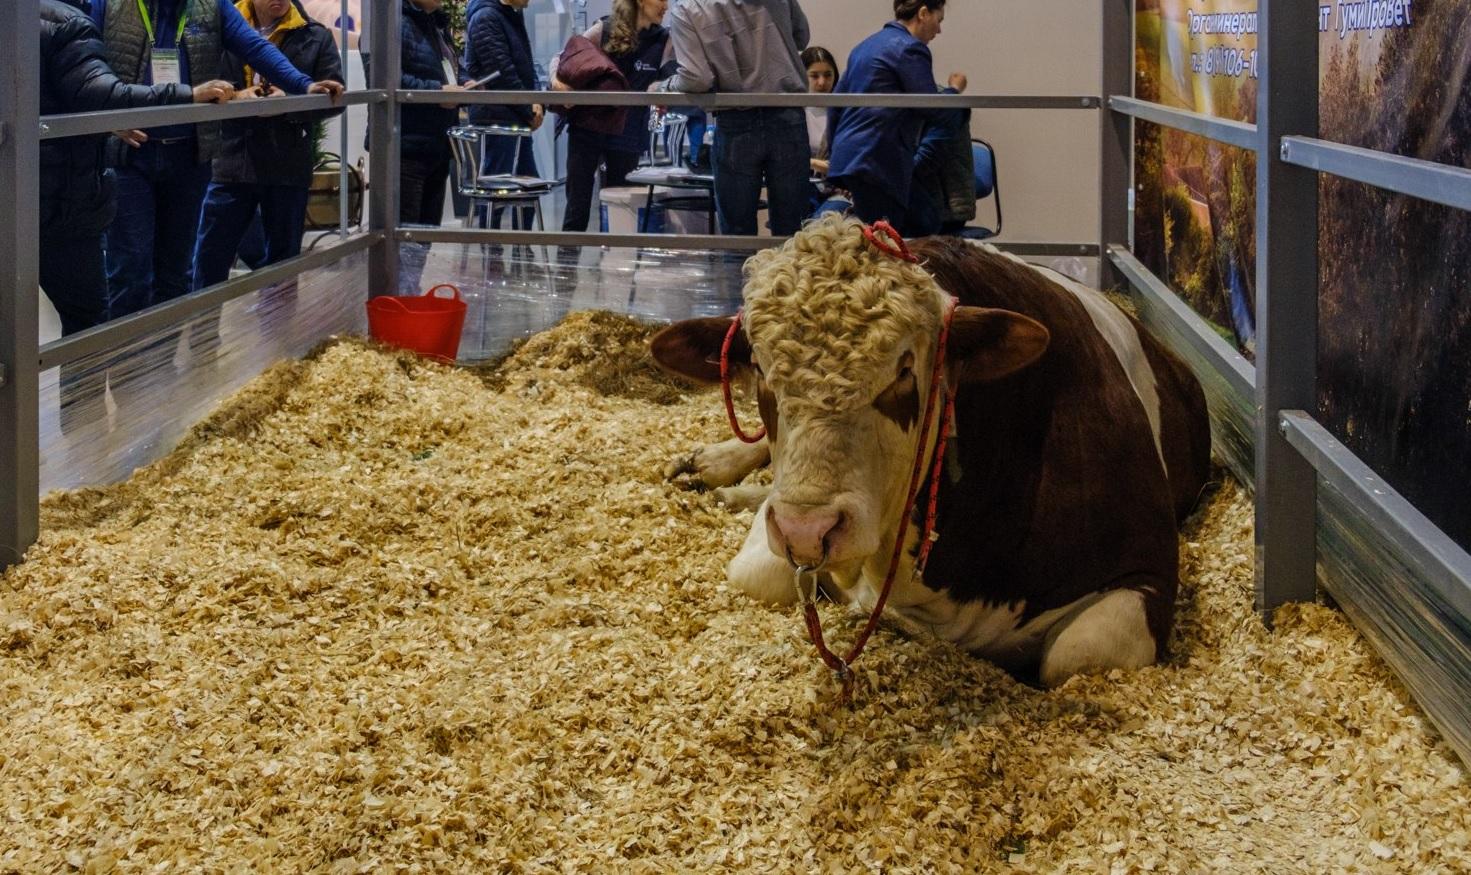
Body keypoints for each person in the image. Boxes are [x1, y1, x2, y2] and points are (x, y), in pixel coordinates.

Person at [39, 0, 234, 431]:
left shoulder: (206, 9)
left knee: (168, 275)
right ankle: (87, 434)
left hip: (174, 158)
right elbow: (100, 92)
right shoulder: (76, 18)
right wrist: (184, 95)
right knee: (94, 310)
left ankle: (148, 381)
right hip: (74, 192)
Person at [89, 0, 345, 323]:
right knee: (130, 275)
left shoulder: (211, 6)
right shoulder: (109, 4)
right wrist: (107, 114)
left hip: (189, 156)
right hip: (130, 156)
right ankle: (126, 371)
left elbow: (254, 47)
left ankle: (162, 369)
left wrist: (303, 85)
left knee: (175, 276)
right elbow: (89, 64)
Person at [191, 0, 346, 291]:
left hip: (286, 165)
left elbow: (333, 98)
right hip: (230, 162)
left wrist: (287, 106)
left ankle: (278, 335)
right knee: (209, 263)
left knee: (283, 270)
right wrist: (237, 98)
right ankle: (204, 333)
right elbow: (196, 87)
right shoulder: (218, 28)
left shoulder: (316, 35)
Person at [660, 0, 812, 237]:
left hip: (735, 121)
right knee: (793, 234)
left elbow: (696, 78)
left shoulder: (688, 8)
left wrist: (664, 86)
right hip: (787, 114)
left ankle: (739, 276)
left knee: (737, 237)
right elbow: (801, 37)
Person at [826, 0, 967, 236]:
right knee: (893, 239)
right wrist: (954, 91)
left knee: (922, 221)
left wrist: (838, 155)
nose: (939, 30)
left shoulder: (863, 47)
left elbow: (834, 107)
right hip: (880, 160)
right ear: (923, 13)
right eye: (938, 20)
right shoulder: (910, 48)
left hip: (854, 158)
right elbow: (934, 109)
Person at [364, 0, 465, 292]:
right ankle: (396, 304)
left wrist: (464, 86)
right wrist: (437, 92)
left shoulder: (436, 24)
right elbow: (384, 80)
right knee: (403, 234)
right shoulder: (392, 23)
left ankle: (410, 297)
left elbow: (448, 72)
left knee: (423, 234)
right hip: (403, 147)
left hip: (435, 144)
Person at [550, 0, 676, 233]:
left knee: (619, 207)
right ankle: (566, 265)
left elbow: (670, 76)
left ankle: (615, 266)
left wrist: (660, 87)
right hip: (588, 128)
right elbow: (562, 57)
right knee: (577, 207)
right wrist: (557, 82)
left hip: (628, 134)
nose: (666, 6)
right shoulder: (605, 29)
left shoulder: (663, 39)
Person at [462, 0, 543, 228]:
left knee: (528, 188)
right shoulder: (486, 16)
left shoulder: (509, 15)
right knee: (495, 190)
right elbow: (501, 73)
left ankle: (520, 248)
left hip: (515, 115)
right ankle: (491, 251)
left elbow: (526, 66)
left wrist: (536, 102)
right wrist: (529, 108)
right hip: (496, 116)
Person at [801, 45, 838, 176]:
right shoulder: (792, 114)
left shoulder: (844, 113)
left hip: (837, 189)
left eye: (828, 75)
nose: (822, 82)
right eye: (814, 76)